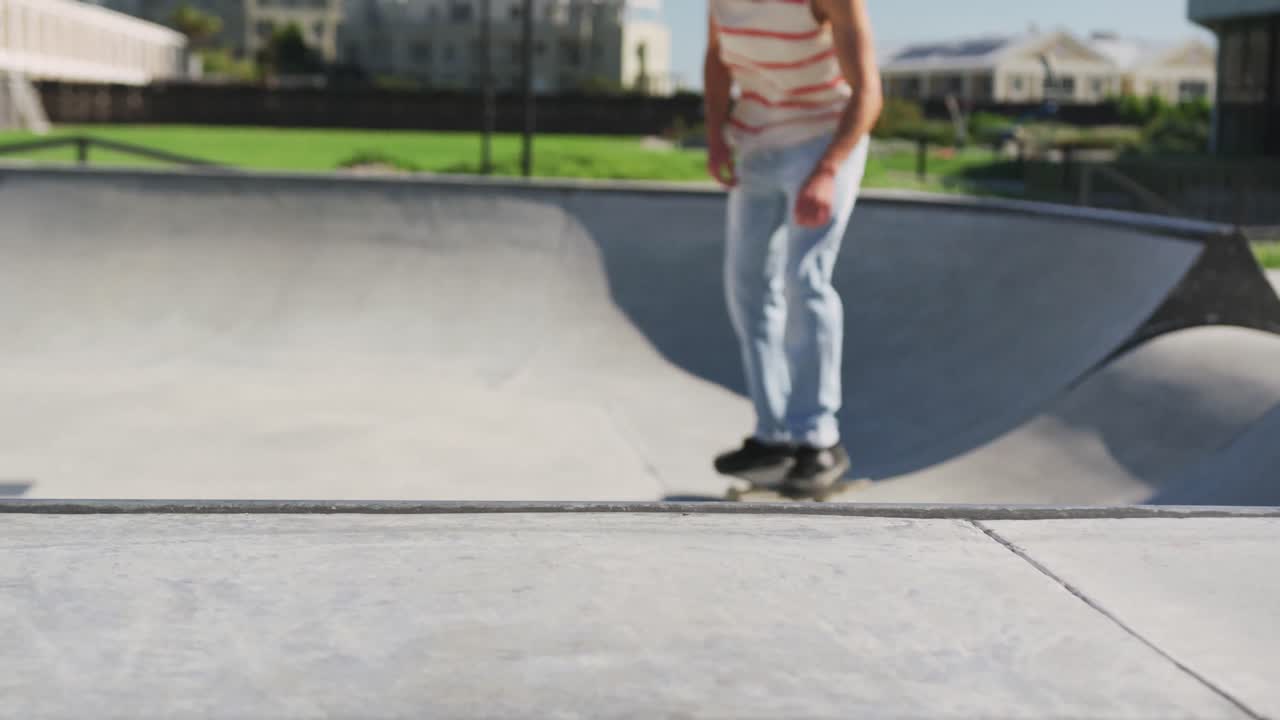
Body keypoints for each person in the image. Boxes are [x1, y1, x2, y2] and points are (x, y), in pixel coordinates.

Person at [705, 0, 883, 496]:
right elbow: (718, 57)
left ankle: (818, 440)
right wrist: (716, 134)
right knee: (748, 288)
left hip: (825, 138)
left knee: (804, 277)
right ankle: (774, 436)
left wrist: (827, 171)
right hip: (756, 141)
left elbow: (868, 93)